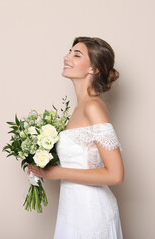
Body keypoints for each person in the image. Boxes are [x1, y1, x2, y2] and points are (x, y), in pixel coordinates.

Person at [28, 36, 124, 239]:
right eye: (69, 52)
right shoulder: (79, 108)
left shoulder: (93, 106)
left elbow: (115, 175)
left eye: (76, 54)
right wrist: (42, 166)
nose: (67, 57)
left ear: (94, 69)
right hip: (71, 207)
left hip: (90, 211)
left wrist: (57, 172)